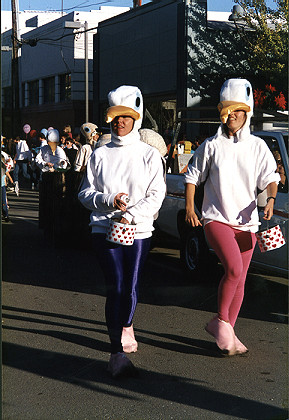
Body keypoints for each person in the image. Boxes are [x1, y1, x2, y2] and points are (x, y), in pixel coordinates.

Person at [184, 78, 280, 356]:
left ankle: (228, 330)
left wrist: (270, 199)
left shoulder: (258, 146)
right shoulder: (212, 145)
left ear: (247, 111)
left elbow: (271, 178)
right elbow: (192, 177)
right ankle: (220, 322)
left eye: (238, 109)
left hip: (248, 224)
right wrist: (191, 208)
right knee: (234, 270)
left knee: (240, 277)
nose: (232, 115)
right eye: (227, 109)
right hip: (216, 219)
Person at [78, 85, 166, 378]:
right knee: (115, 286)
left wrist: (130, 215)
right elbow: (84, 193)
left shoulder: (149, 155)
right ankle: (116, 353)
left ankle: (126, 325)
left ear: (136, 117)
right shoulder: (99, 154)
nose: (120, 121)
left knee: (130, 286)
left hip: (138, 230)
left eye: (126, 116)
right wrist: (107, 200)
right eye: (115, 116)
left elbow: (156, 195)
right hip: (103, 228)